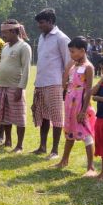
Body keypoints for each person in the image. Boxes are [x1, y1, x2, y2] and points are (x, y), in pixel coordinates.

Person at [55, 37, 97, 176]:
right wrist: (67, 69)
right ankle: (64, 160)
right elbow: (65, 83)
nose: (71, 55)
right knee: (69, 131)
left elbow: (89, 89)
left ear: (82, 51)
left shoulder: (88, 67)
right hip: (69, 103)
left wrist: (84, 110)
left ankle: (91, 167)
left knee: (85, 132)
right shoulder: (73, 66)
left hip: (80, 104)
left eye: (73, 52)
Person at [31, 9, 70, 159]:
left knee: (56, 117)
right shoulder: (41, 37)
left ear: (50, 22)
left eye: (41, 23)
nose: (39, 26)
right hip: (41, 82)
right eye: (38, 23)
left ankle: (54, 150)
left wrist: (65, 85)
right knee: (43, 115)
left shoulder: (61, 38)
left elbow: (68, 63)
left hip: (55, 83)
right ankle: (42, 147)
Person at [0, 19, 31, 153]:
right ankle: (8, 141)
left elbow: (26, 69)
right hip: (3, 85)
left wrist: (20, 88)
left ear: (13, 31)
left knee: (19, 116)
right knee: (5, 115)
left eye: (4, 32)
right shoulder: (5, 46)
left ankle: (19, 145)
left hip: (15, 86)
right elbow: (1, 65)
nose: (2, 35)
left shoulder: (24, 47)